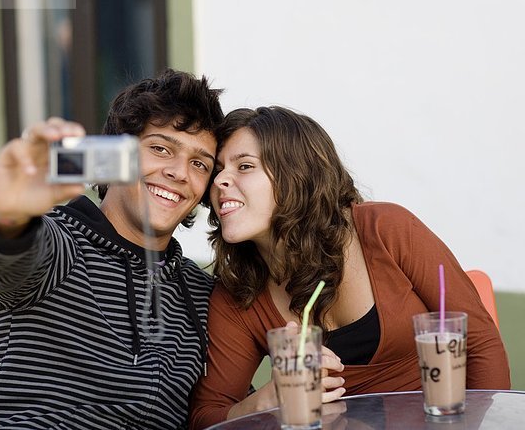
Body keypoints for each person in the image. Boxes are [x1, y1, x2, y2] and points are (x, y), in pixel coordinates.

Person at [189, 106, 511, 429]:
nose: (219, 181)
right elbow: (206, 417)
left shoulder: (387, 230)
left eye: (244, 166)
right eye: (217, 171)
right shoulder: (239, 294)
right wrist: (266, 401)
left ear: (297, 175)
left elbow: (481, 343)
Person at [0, 69, 224, 429]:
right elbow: (4, 263)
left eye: (199, 164)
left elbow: (220, 411)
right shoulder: (61, 243)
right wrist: (9, 214)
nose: (179, 172)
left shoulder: (199, 292)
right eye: (161, 148)